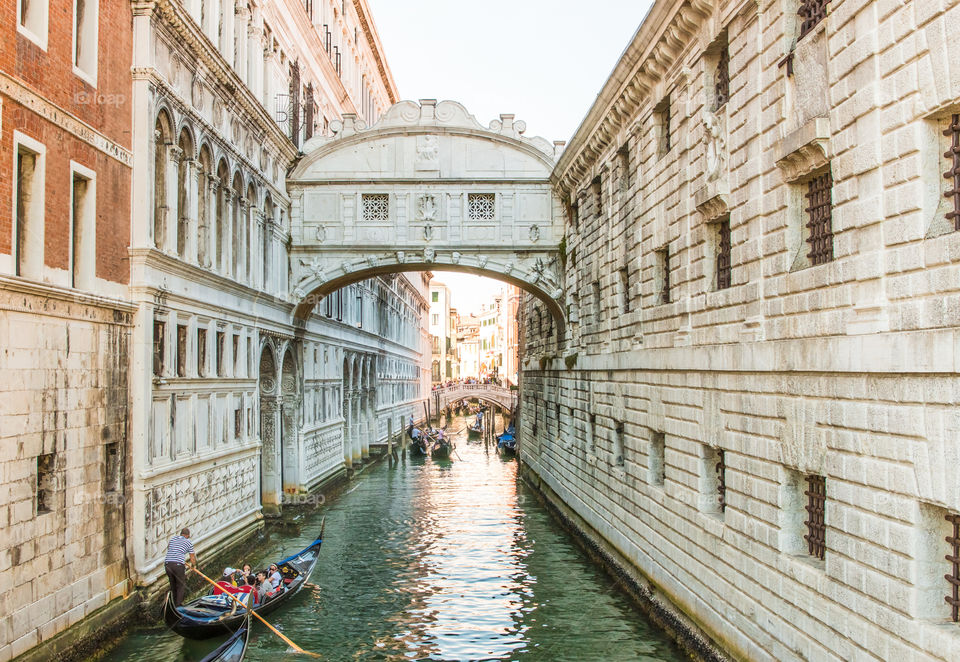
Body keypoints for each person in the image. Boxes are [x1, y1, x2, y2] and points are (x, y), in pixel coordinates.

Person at [164, 528, 198, 607]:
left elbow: (170, 548)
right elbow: (192, 557)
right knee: (180, 585)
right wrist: (194, 566)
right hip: (178, 566)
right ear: (187, 535)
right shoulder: (188, 542)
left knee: (173, 584)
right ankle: (178, 605)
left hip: (168, 564)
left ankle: (173, 603)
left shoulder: (173, 539)